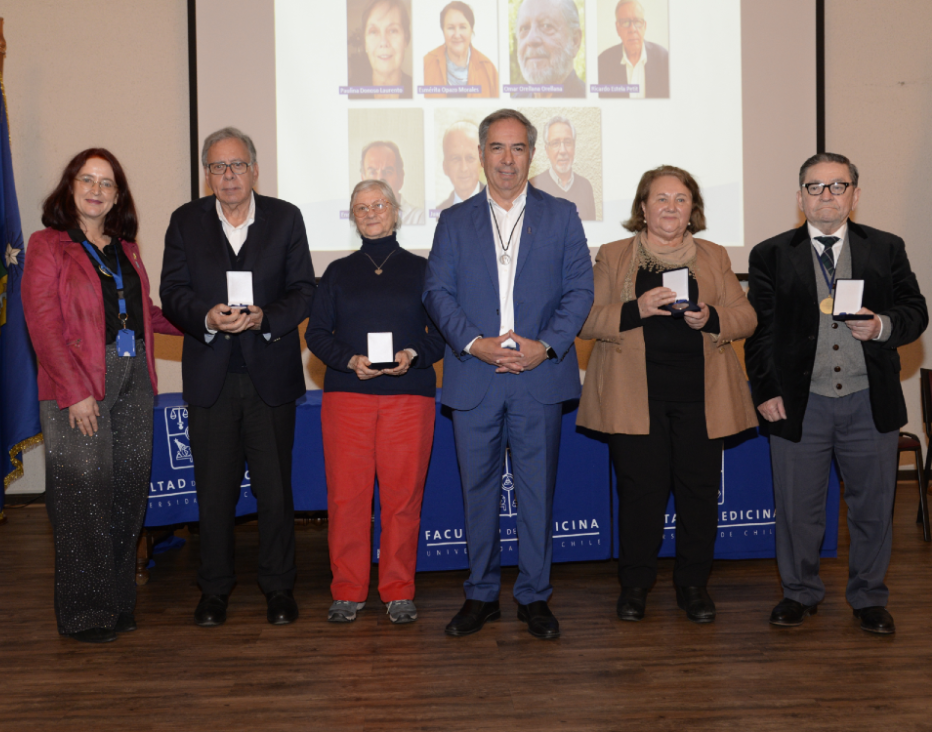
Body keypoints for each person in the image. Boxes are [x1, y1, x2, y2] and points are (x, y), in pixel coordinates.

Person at [424, 109, 594, 640]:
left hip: (536, 376)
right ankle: (480, 596)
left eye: (517, 148)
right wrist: (476, 344)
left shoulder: (562, 214)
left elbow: (580, 291)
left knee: (536, 493)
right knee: (477, 493)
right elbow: (437, 293)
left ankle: (534, 596)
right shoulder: (453, 220)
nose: (506, 159)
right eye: (496, 148)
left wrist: (545, 347)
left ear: (531, 155)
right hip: (475, 374)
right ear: (480, 156)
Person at [744, 153, 927, 635]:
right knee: (797, 510)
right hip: (799, 401)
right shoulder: (769, 254)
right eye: (815, 187)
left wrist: (884, 325)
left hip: (870, 399)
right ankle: (799, 593)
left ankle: (869, 597)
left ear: (855, 194)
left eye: (837, 186)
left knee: (872, 508)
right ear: (799, 196)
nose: (826, 196)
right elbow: (759, 333)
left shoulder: (886, 247)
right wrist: (765, 391)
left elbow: (915, 311)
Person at [576, 165, 757, 623]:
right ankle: (635, 586)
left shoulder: (715, 255)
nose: (671, 207)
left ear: (693, 209)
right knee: (641, 496)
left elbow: (747, 317)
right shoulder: (613, 255)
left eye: (681, 199)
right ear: (643, 208)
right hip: (635, 398)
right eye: (661, 199)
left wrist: (711, 318)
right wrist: (636, 309)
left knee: (699, 494)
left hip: (703, 398)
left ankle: (693, 586)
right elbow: (585, 319)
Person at [160, 127, 316, 628]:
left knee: (275, 491)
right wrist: (207, 317)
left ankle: (278, 588)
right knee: (214, 491)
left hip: (270, 375)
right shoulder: (184, 222)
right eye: (217, 167)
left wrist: (264, 317)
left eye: (237, 165)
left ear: (254, 169)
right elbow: (172, 291)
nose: (228, 176)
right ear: (207, 174)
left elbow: (303, 290)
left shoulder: (286, 217)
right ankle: (214, 591)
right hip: (211, 378)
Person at [24, 148, 181, 643]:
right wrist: (75, 392)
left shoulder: (126, 248)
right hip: (78, 382)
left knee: (128, 492)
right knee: (81, 499)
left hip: (134, 379)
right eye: (86, 180)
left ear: (117, 197)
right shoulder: (48, 244)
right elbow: (43, 323)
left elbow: (144, 314)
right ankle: (85, 613)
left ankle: (116, 601)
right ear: (70, 188)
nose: (96, 189)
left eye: (106, 183)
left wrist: (205, 320)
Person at [305, 180, 445, 625]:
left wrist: (412, 354)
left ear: (395, 210)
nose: (370, 212)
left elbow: (441, 335)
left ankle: (399, 590)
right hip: (349, 397)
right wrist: (349, 360)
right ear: (352, 215)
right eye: (360, 206)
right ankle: (347, 590)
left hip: (409, 397)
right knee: (348, 498)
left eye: (378, 204)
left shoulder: (425, 271)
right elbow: (316, 335)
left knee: (403, 499)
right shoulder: (337, 273)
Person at [511, 0, 586, 99]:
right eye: (524, 28)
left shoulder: (586, 98)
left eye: (546, 26)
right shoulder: (514, 104)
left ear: (574, 41)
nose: (531, 39)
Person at [423, 1, 499, 98]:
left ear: (471, 30)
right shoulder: (426, 64)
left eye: (463, 27)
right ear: (443, 30)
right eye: (450, 28)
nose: (457, 34)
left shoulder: (489, 69)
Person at [597, 0, 669, 99]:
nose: (632, 29)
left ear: (645, 26)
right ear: (617, 28)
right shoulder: (602, 63)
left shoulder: (664, 59)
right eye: (625, 22)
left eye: (638, 22)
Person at [529, 115, 596, 220]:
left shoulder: (586, 186)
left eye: (568, 142)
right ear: (547, 150)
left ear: (574, 147)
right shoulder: (533, 187)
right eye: (555, 143)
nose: (563, 150)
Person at [349, 0, 414, 100]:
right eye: (374, 32)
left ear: (405, 39)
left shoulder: (417, 91)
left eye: (393, 31)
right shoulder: (350, 91)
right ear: (365, 43)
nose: (383, 42)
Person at [361, 141, 424, 225]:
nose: (380, 178)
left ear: (400, 178)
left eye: (388, 171)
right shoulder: (354, 222)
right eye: (373, 172)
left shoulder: (420, 218)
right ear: (363, 181)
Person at [436, 121, 484, 211]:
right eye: (455, 159)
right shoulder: (438, 215)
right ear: (445, 167)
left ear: (481, 163)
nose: (463, 168)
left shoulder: (501, 207)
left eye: (470, 158)